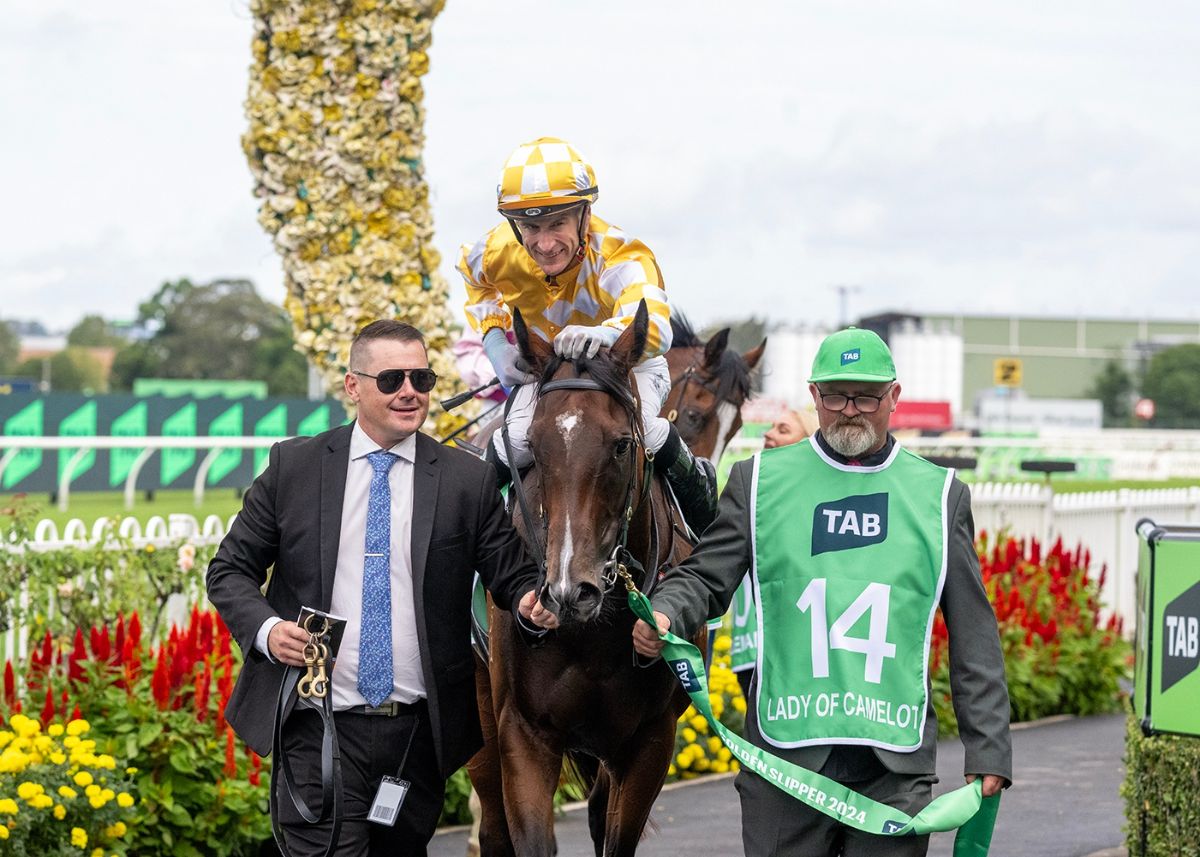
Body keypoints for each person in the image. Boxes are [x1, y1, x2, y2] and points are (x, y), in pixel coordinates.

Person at [633, 327, 1012, 856]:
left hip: (893, 768)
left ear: (894, 397)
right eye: (835, 395)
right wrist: (667, 611)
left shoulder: (940, 497)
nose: (850, 410)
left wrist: (988, 748)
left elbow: (974, 631)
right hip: (784, 763)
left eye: (866, 396)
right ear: (813, 394)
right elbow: (705, 575)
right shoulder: (757, 481)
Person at [206, 320, 556, 856]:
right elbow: (228, 571)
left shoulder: (467, 480)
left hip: (417, 738)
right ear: (354, 386)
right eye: (392, 379)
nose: (409, 391)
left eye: (422, 378)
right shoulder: (293, 468)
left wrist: (533, 602)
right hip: (315, 724)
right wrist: (269, 630)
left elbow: (513, 577)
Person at [457, 136, 717, 533]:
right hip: (549, 372)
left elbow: (657, 328)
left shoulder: (621, 253)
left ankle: (706, 527)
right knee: (514, 443)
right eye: (531, 227)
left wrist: (606, 334)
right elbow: (476, 282)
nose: (544, 243)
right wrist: (494, 340)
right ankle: (468, 540)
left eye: (557, 223)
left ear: (584, 213)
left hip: (628, 367)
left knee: (647, 434)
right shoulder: (494, 250)